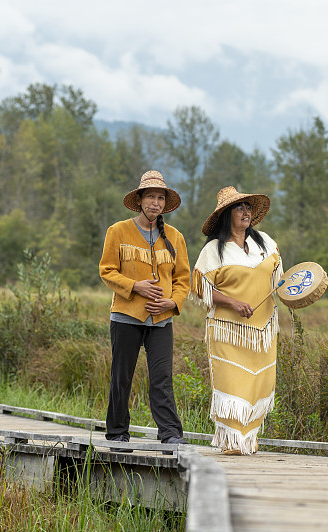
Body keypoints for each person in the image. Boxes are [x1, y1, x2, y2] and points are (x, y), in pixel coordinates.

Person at [99, 170, 191, 453]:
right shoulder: (118, 231)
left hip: (161, 320)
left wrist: (172, 303)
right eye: (150, 196)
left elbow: (183, 279)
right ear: (139, 200)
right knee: (122, 375)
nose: (155, 203)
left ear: (165, 204)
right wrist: (135, 286)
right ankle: (116, 432)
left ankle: (171, 434)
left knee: (162, 377)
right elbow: (107, 271)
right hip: (126, 316)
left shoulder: (175, 237)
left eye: (160, 198)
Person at [190, 186, 283, 455]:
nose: (245, 212)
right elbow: (200, 288)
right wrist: (232, 302)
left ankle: (249, 440)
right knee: (232, 383)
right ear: (226, 215)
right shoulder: (213, 252)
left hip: (262, 330)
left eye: (248, 207)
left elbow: (281, 282)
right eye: (239, 208)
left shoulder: (265, 243)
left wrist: (300, 293)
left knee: (259, 383)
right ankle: (232, 441)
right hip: (228, 332)